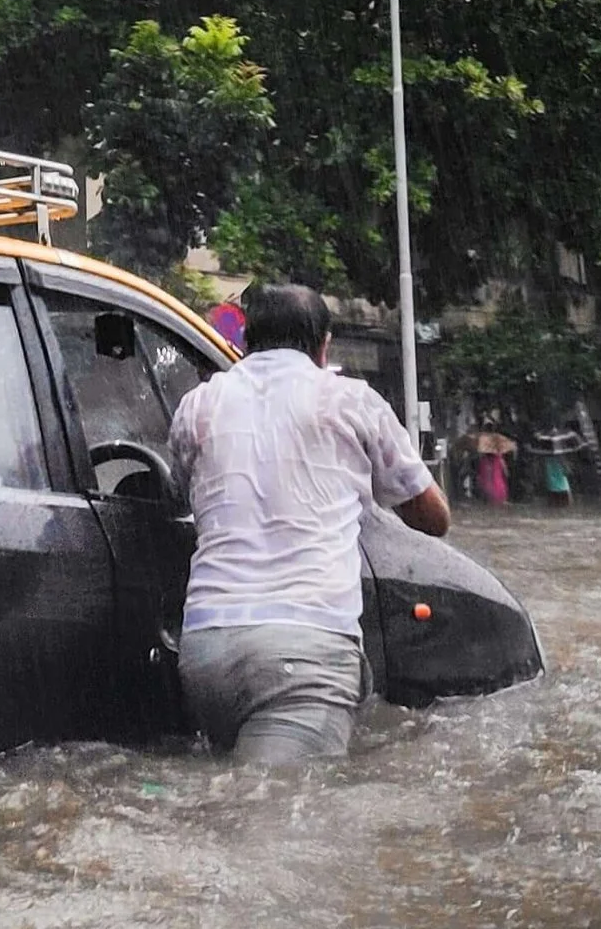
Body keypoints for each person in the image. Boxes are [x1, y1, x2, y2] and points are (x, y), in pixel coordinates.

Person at [168, 283, 450, 766]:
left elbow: (181, 492)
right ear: (325, 346)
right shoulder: (350, 402)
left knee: (230, 807)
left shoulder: (199, 405)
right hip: (304, 654)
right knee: (275, 820)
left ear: (248, 341)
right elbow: (432, 517)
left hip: (205, 649)